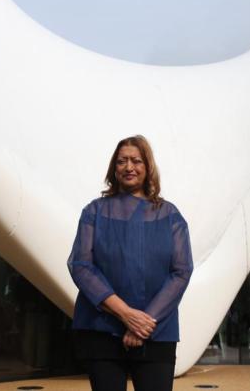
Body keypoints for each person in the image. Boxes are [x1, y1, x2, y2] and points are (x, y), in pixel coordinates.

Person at [67, 135, 193, 391]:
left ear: (148, 167)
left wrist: (143, 323)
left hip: (156, 330)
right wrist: (125, 314)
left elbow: (181, 271)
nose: (129, 167)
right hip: (102, 330)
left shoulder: (170, 215)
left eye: (136, 161)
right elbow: (80, 265)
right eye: (122, 161)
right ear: (114, 168)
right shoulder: (94, 211)